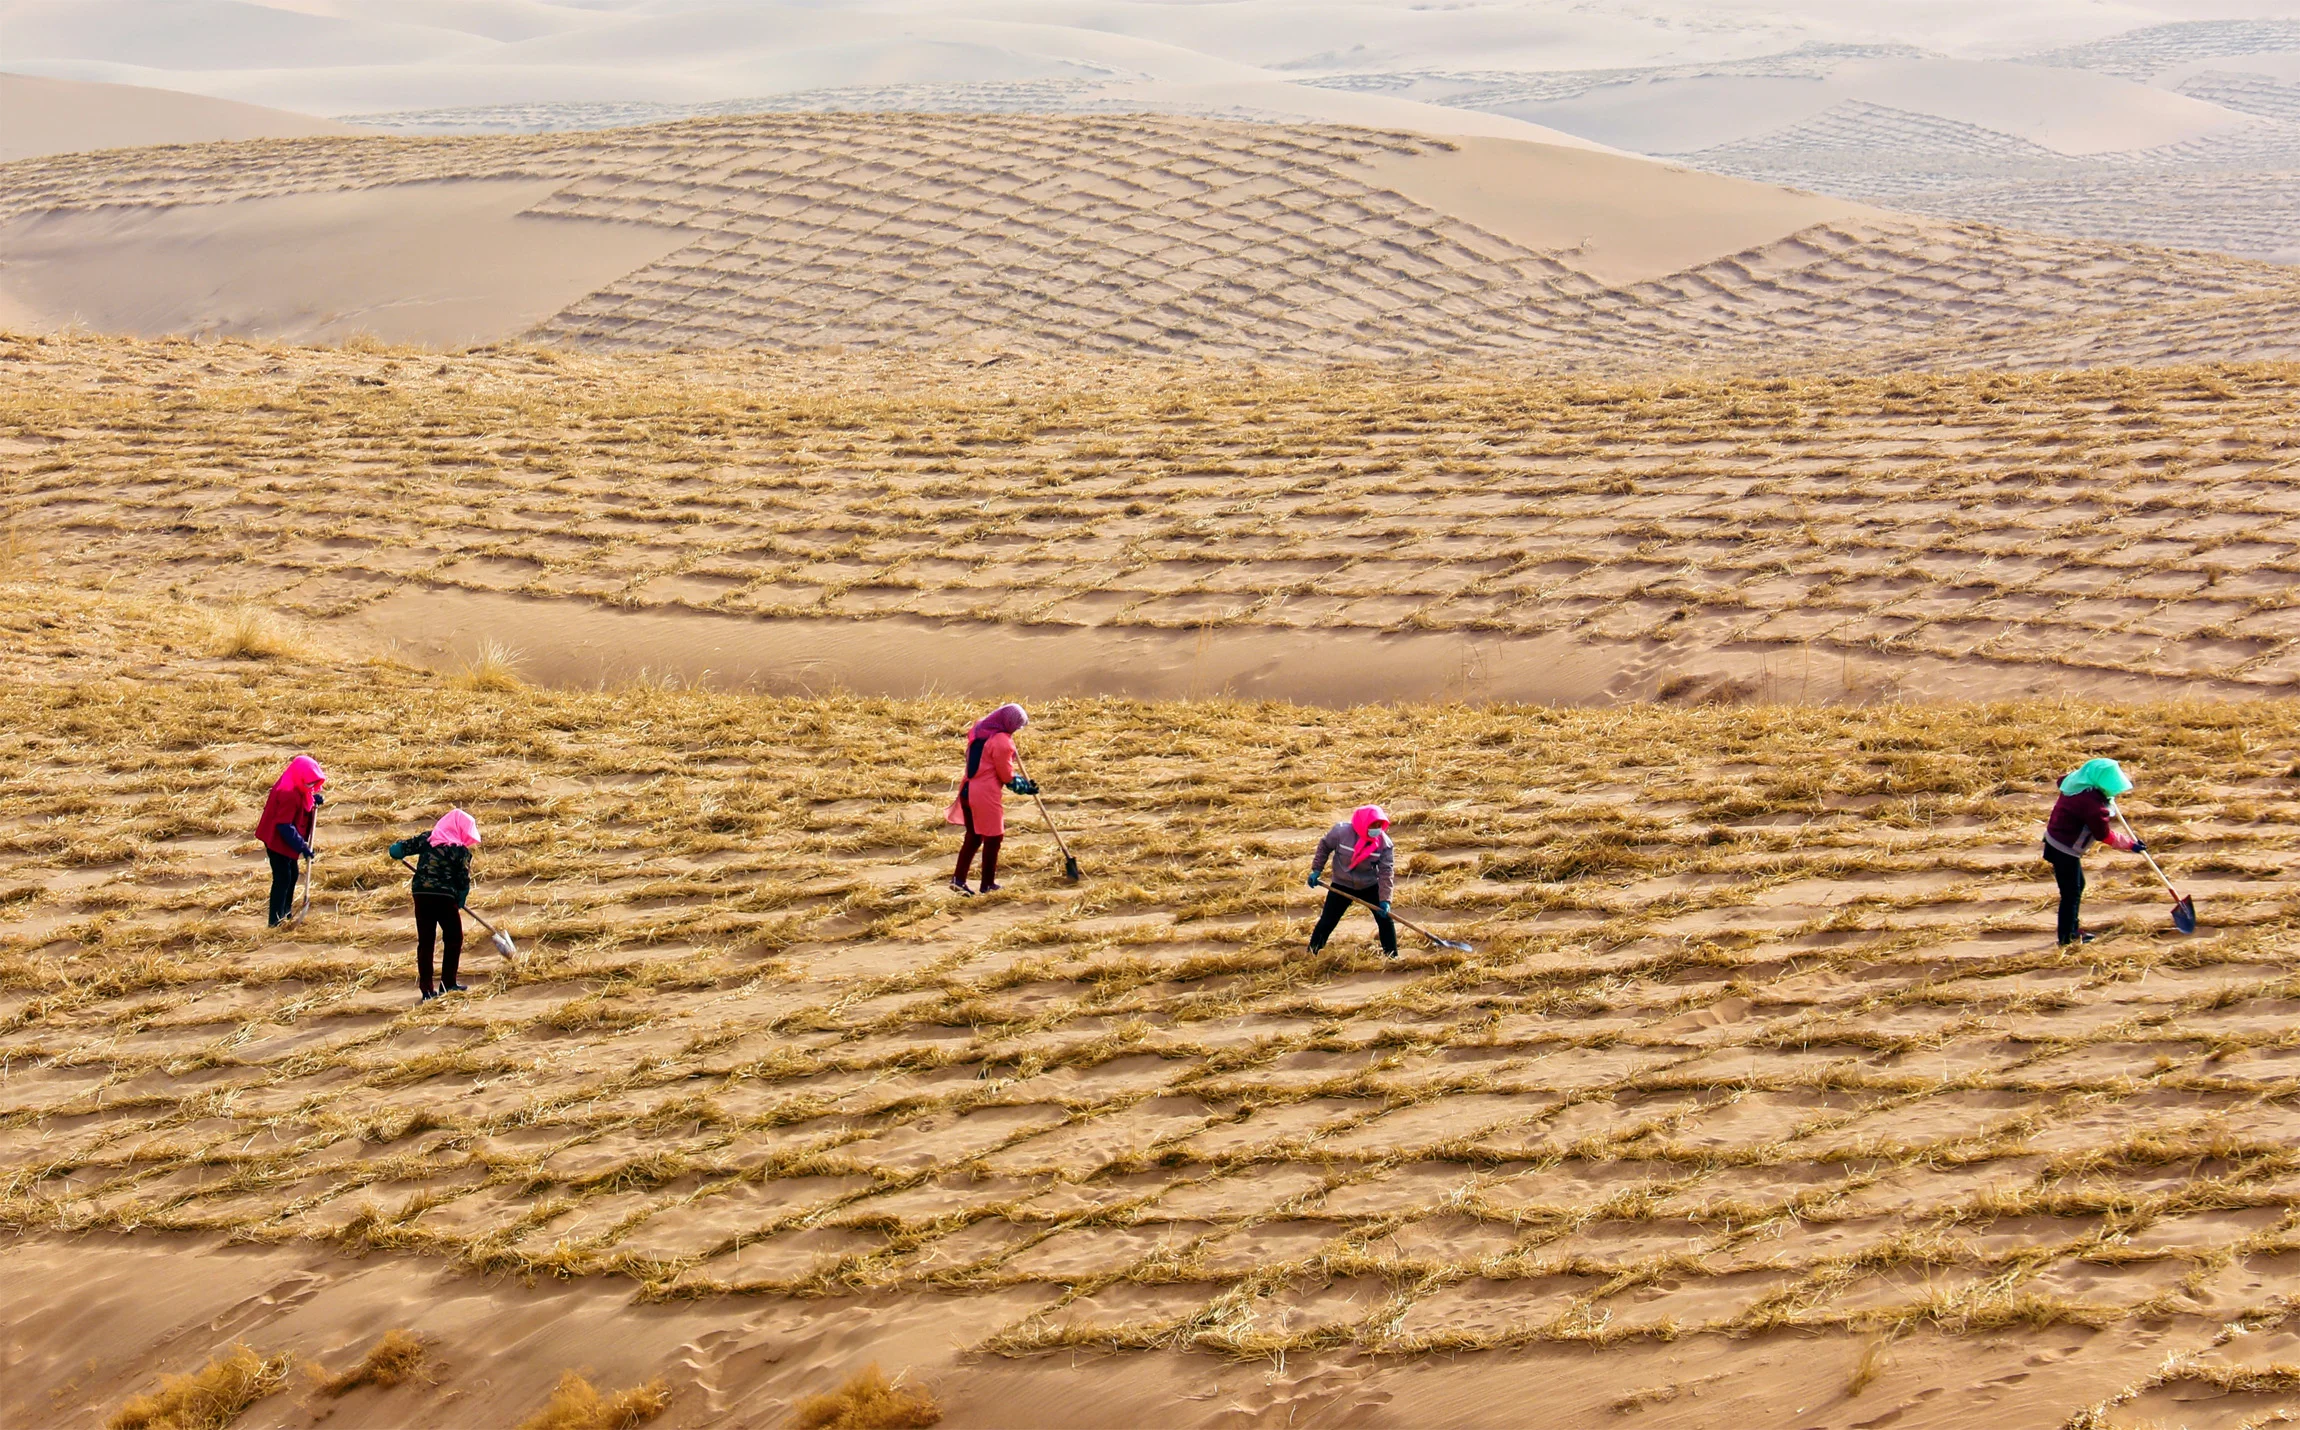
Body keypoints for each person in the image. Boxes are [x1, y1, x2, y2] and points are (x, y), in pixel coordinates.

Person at [2044, 758, 2141, 946]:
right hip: (2064, 849)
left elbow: (2061, 780)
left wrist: (2105, 796)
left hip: (2054, 839)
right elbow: (2103, 835)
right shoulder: (2093, 807)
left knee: (2077, 887)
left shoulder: (2076, 782)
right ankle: (2067, 938)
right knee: (2071, 893)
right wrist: (2131, 845)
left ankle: (2072, 929)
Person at [390, 809, 481, 1000]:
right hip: (445, 897)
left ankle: (427, 990)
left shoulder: (428, 839)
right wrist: (460, 899)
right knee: (454, 938)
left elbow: (397, 850)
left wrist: (396, 852)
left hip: (421, 894)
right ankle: (448, 984)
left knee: (426, 942)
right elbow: (463, 881)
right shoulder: (460, 851)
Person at [947, 703, 1037, 895]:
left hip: (967, 790)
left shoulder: (980, 729)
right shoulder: (1001, 741)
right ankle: (987, 884)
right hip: (984, 795)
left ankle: (958, 879)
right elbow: (1006, 776)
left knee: (974, 836)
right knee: (994, 838)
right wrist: (1026, 787)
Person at [1308, 804, 1398, 957]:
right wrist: (1317, 869)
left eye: (1379, 825)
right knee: (1328, 921)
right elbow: (1324, 846)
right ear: (1363, 823)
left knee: (1385, 921)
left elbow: (1386, 872)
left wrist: (1385, 900)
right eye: (1373, 825)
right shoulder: (1341, 832)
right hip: (1341, 883)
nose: (1376, 829)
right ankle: (1312, 953)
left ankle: (1392, 956)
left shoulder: (1384, 844)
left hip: (1369, 885)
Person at [255, 754, 327, 926]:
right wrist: (302, 847)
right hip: (277, 841)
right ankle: (275, 921)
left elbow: (302, 801)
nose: (311, 786)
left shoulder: (296, 783)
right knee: (283, 878)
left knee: (292, 874)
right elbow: (284, 826)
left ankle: (286, 913)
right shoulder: (288, 793)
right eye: (309, 783)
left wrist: (312, 800)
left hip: (286, 840)